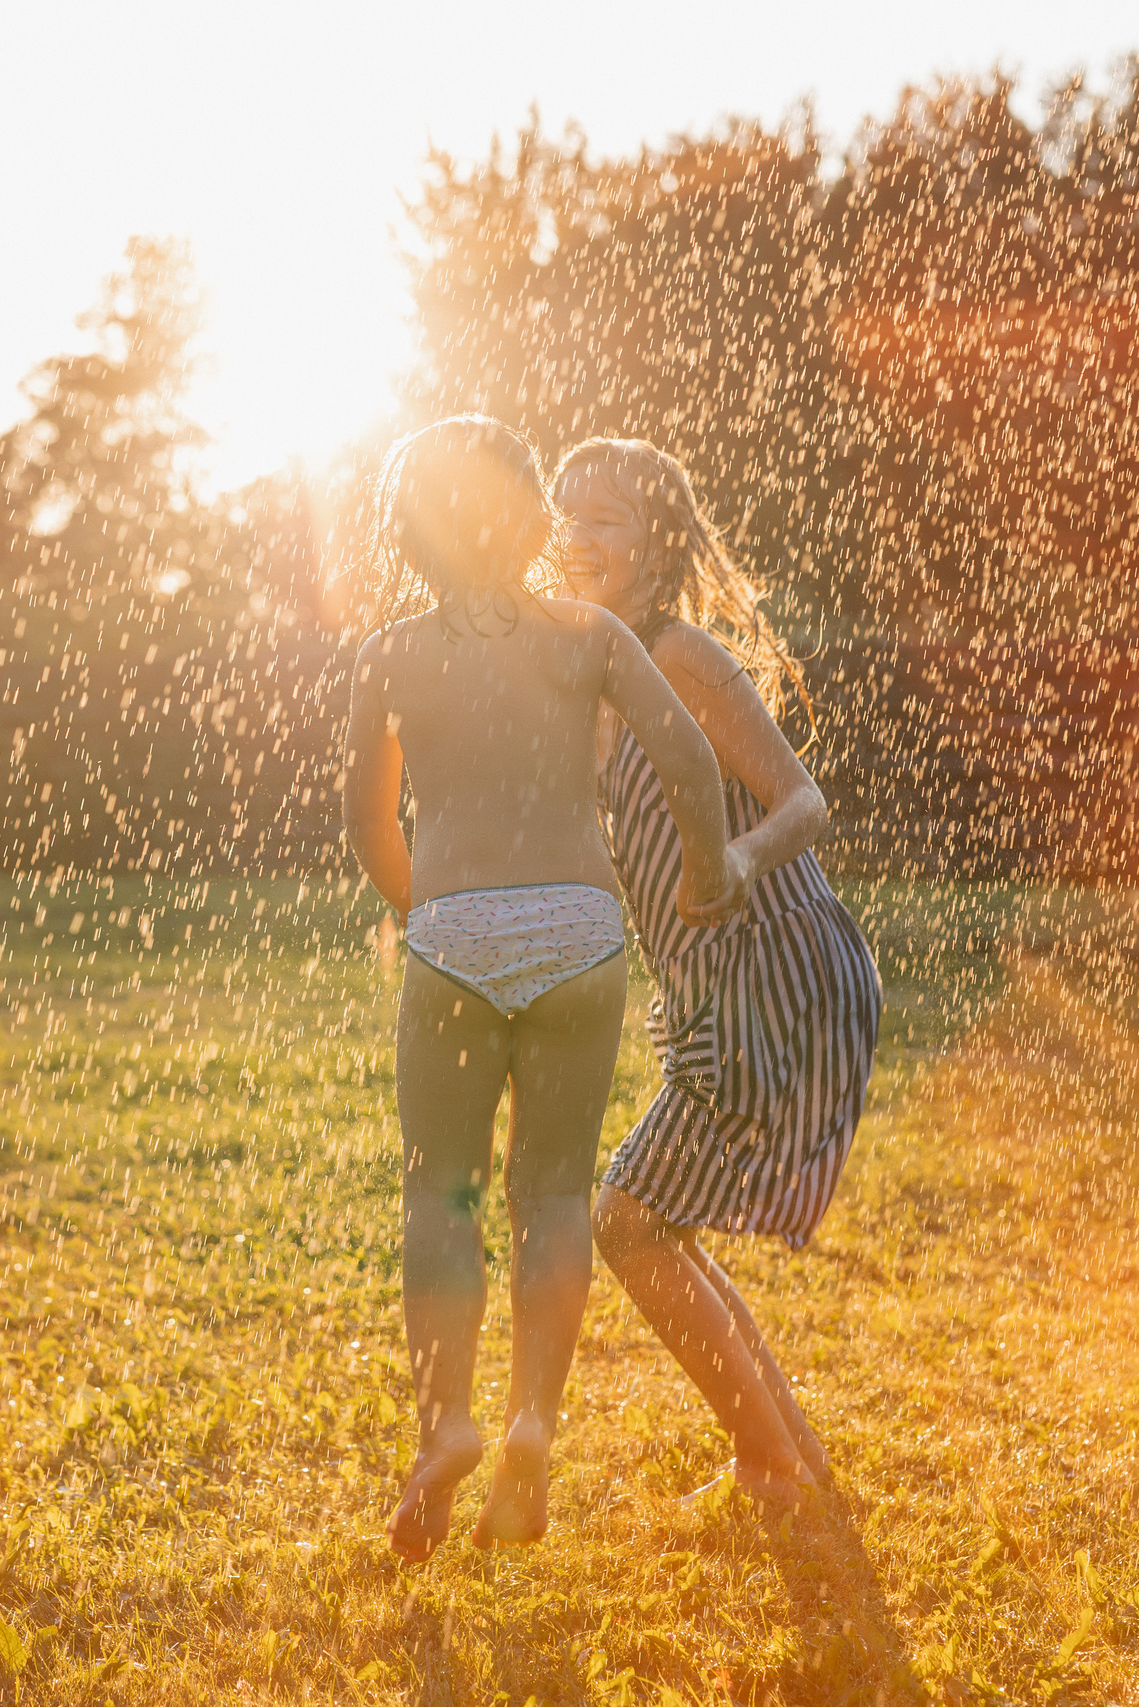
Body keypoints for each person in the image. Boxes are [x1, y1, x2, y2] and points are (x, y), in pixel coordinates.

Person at [343, 416, 737, 1559]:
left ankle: (445, 1424)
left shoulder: (392, 655)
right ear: (533, 522)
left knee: (443, 1197)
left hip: (455, 927)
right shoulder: (588, 634)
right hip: (578, 929)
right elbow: (689, 763)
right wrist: (709, 878)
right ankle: (532, 1420)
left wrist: (429, 909)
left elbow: (367, 825)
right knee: (554, 1193)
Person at [555, 436, 882, 1508]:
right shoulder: (587, 675)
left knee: (628, 1221)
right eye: (565, 515)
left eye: (604, 517)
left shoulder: (679, 656)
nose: (577, 536)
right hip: (713, 987)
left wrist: (736, 858)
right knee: (649, 1221)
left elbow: (806, 802)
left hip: (776, 962)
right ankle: (785, 1460)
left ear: (656, 542)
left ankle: (771, 1466)